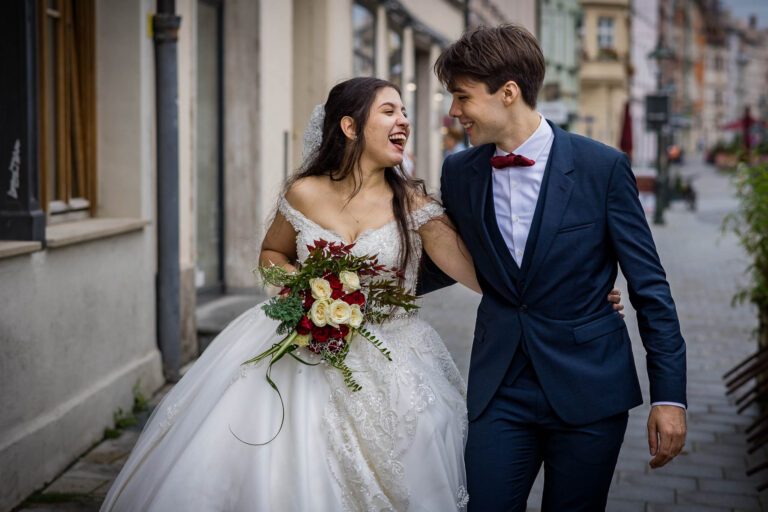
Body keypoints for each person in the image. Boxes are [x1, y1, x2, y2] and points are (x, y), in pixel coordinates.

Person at [100, 77, 623, 512]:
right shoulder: (302, 192)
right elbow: (272, 256)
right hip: (298, 343)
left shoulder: (414, 203)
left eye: (404, 112)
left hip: (393, 355)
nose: (404, 120)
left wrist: (572, 294)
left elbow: (486, 275)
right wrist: (303, 294)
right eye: (389, 110)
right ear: (349, 126)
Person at [420, 25, 687, 511]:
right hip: (500, 387)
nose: (453, 111)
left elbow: (650, 287)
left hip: (589, 390)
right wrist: (358, 287)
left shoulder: (602, 167)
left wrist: (670, 396)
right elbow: (451, 261)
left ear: (508, 93)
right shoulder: (460, 172)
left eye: (461, 96)